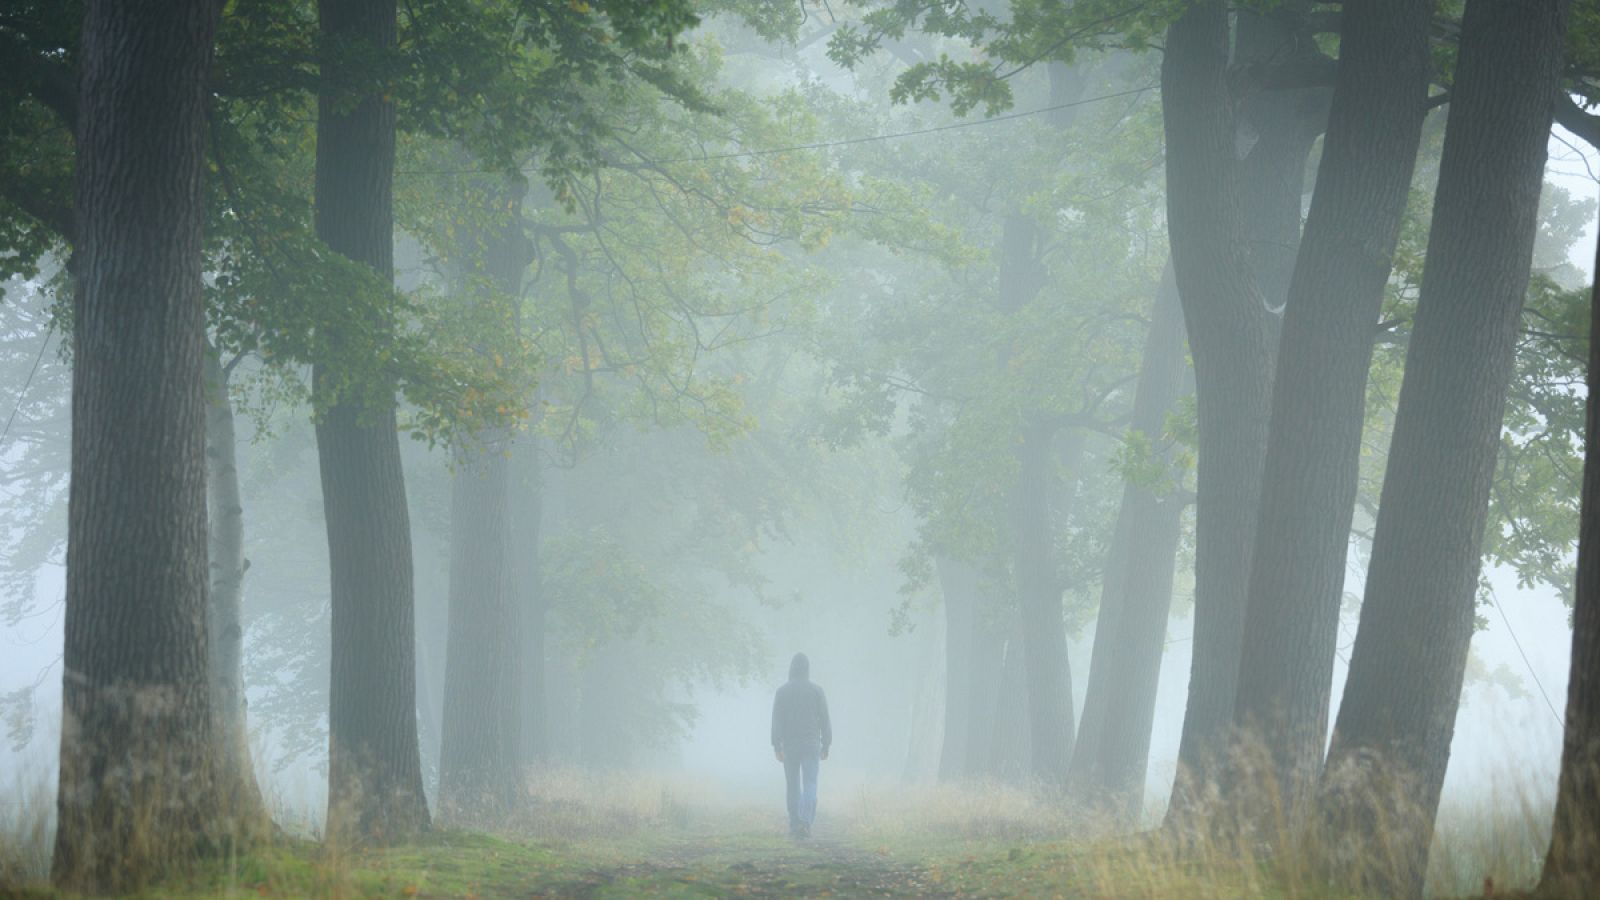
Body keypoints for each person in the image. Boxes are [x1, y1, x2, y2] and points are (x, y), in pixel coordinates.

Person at [771, 652, 831, 838]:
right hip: (811, 744)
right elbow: (825, 719)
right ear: (807, 669)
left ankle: (794, 822)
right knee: (810, 782)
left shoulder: (782, 692)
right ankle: (805, 821)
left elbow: (777, 721)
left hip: (790, 746)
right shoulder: (817, 691)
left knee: (793, 784)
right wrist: (826, 744)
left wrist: (776, 745)